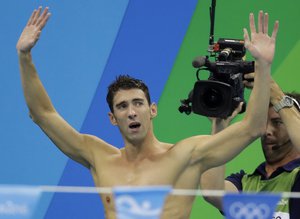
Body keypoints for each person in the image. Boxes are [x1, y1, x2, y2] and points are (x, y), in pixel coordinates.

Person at [17, 7, 278, 219]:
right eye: (122, 106)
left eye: (138, 103)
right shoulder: (98, 156)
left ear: (152, 110)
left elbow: (251, 128)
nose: (132, 112)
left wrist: (263, 66)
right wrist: (24, 56)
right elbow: (43, 114)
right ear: (112, 118)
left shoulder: (186, 155)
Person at [200, 78, 300, 218]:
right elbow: (212, 192)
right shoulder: (245, 182)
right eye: (263, 123)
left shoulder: (296, 176)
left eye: (278, 122)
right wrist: (219, 125)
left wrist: (277, 96)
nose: (266, 131)